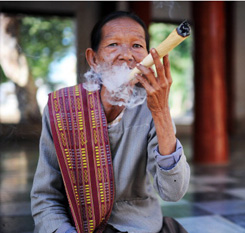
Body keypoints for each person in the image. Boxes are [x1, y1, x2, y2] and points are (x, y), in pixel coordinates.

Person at [31, 11, 190, 233]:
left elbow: (173, 192)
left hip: (140, 227)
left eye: (137, 46)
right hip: (78, 227)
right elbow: (45, 197)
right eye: (113, 44)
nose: (127, 55)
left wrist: (161, 111)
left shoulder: (152, 108)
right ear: (93, 59)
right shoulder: (61, 108)